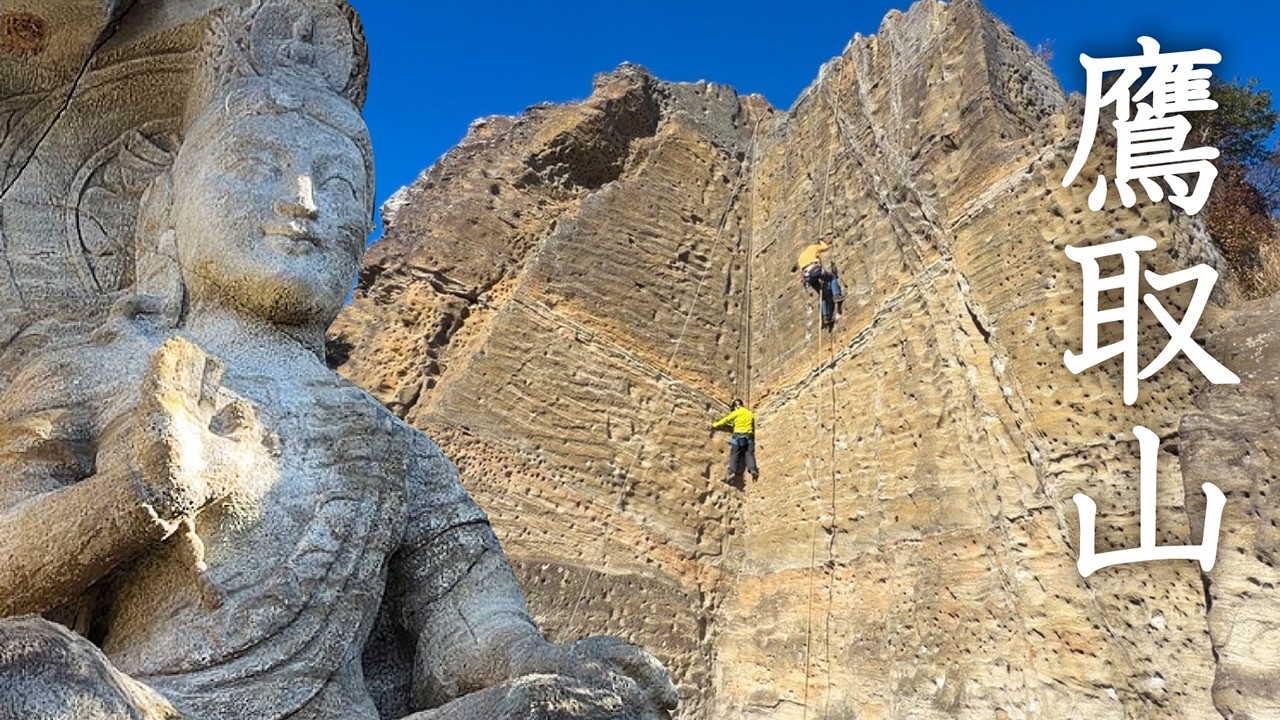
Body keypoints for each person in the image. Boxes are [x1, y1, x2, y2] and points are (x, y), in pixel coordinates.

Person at [0, 56, 676, 720]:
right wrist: (140, 490)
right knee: (27, 667)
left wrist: (544, 663)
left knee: (570, 709)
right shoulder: (89, 372)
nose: (303, 203)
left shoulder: (397, 446)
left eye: (339, 186)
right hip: (151, 703)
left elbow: (469, 632)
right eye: (255, 168)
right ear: (165, 212)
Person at [795, 238, 844, 329]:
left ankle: (826, 316)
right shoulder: (812, 247)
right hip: (814, 270)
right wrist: (820, 241)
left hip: (807, 277)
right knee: (832, 277)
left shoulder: (801, 257)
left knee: (823, 294)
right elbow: (825, 247)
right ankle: (836, 295)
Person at [711, 399, 758, 486]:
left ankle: (733, 472)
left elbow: (726, 420)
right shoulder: (750, 413)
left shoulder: (736, 412)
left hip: (738, 436)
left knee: (735, 454)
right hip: (748, 437)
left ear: (736, 406)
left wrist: (715, 425)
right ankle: (753, 469)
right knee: (749, 453)